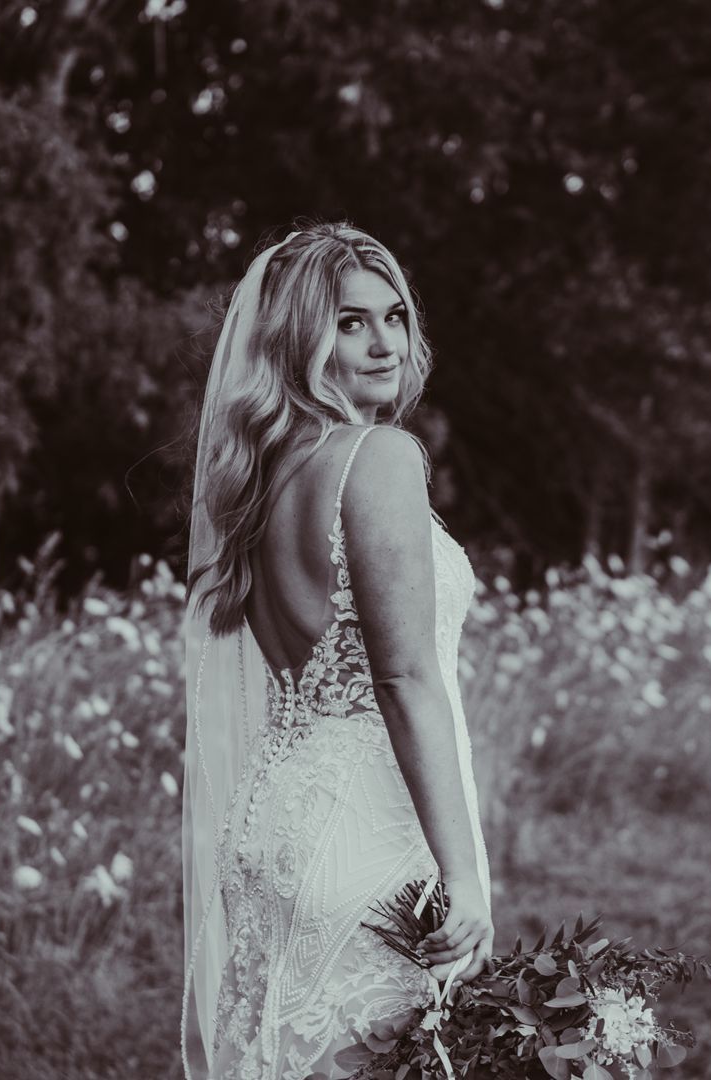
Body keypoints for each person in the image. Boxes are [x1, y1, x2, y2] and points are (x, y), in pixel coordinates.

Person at [179, 223, 494, 1079]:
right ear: (299, 339)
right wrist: (463, 875)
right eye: (350, 323)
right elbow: (404, 677)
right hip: (367, 831)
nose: (384, 340)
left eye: (392, 316)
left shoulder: (267, 471)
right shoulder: (379, 457)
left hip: (275, 820)